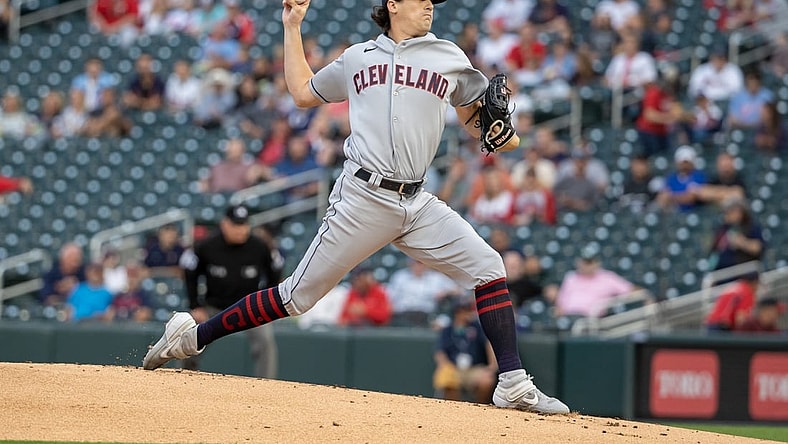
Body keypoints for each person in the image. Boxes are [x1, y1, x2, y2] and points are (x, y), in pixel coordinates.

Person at [143, 0, 569, 415]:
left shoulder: (448, 56)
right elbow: (303, 93)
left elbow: (482, 125)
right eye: (420, 0)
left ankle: (512, 383)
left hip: (417, 201)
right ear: (393, 4)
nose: (430, 6)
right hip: (362, 198)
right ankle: (191, 337)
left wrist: (501, 132)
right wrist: (292, 27)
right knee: (296, 297)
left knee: (489, 266)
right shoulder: (357, 58)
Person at [176, 204, 282, 378]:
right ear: (225, 224)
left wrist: (264, 302)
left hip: (249, 308)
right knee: (191, 340)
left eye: (243, 225)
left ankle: (266, 385)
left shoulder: (260, 247)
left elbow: (275, 270)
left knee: (266, 342)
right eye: (236, 225)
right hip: (215, 307)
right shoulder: (207, 245)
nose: (240, 230)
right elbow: (190, 271)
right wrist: (195, 305)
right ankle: (182, 378)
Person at [433, 298, 497, 404]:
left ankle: (480, 407)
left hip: (474, 368)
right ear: (457, 312)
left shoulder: (476, 327)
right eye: (464, 310)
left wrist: (492, 366)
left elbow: (488, 345)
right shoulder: (448, 330)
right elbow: (440, 352)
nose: (467, 313)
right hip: (455, 368)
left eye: (468, 310)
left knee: (487, 380)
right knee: (446, 378)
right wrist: (445, 366)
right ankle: (455, 409)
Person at [555, 245, 636, 318]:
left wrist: (647, 298)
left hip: (593, 322)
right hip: (569, 318)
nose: (585, 265)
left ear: (597, 263)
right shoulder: (571, 277)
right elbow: (560, 304)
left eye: (589, 262)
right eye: (583, 261)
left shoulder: (607, 277)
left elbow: (631, 290)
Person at [707, 197, 765, 273]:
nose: (726, 215)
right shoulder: (722, 230)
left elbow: (758, 248)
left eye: (730, 212)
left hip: (745, 273)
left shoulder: (751, 227)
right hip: (722, 275)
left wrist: (742, 243)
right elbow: (713, 253)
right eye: (726, 212)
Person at [39, 242, 86, 307]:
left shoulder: (84, 273)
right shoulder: (51, 274)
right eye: (72, 260)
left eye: (77, 260)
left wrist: (75, 288)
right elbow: (46, 297)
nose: (75, 263)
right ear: (63, 260)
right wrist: (60, 288)